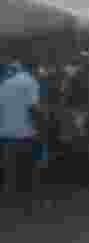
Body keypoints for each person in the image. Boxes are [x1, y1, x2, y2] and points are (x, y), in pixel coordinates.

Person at [0, 57, 43, 214]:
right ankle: (31, 206)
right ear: (35, 68)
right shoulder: (31, 83)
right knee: (30, 171)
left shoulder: (5, 83)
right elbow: (33, 109)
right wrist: (40, 129)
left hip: (6, 133)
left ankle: (8, 205)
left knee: (10, 171)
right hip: (26, 133)